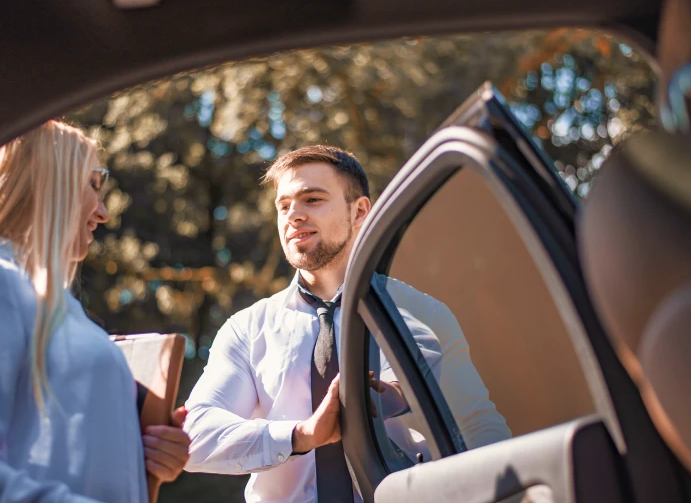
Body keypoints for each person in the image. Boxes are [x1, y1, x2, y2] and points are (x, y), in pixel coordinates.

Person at [183, 145, 510, 502]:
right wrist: (301, 435)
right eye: (284, 205)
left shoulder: (425, 315)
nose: (293, 215)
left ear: (359, 212)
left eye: (312, 199)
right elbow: (195, 435)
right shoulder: (246, 329)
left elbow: (480, 431)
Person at [0, 120, 190, 502]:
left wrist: (146, 455)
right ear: (47, 181)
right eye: (94, 185)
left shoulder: (61, 309)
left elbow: (61, 453)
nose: (103, 213)